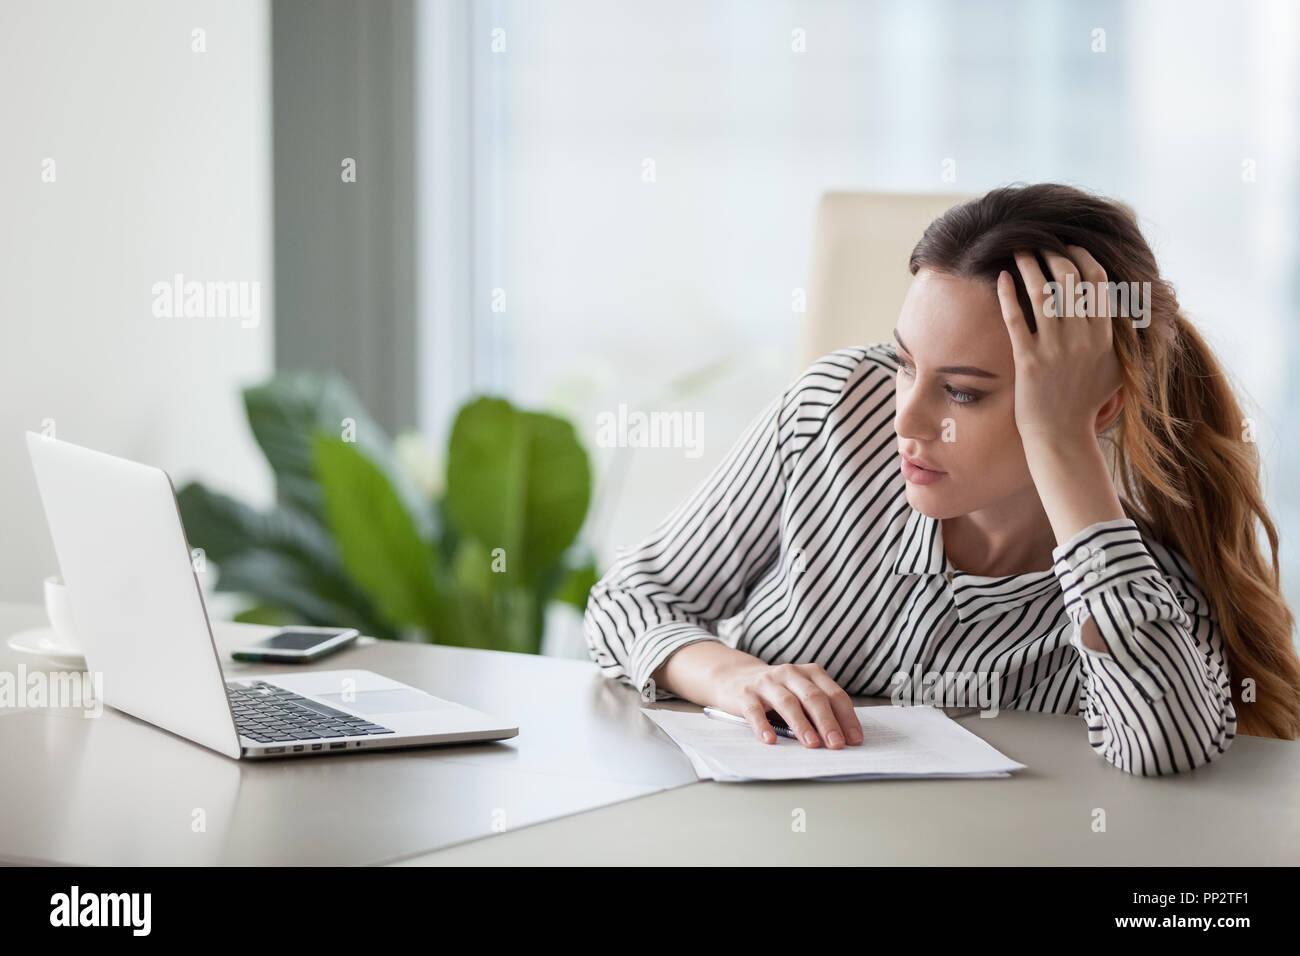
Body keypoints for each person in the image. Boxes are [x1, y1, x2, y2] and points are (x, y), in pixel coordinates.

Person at [583, 182, 1300, 776]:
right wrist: (729, 675)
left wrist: (1061, 442)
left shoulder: (1139, 566)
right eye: (903, 363)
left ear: (1097, 405)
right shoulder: (834, 411)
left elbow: (1165, 746)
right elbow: (630, 599)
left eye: (962, 392)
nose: (907, 420)